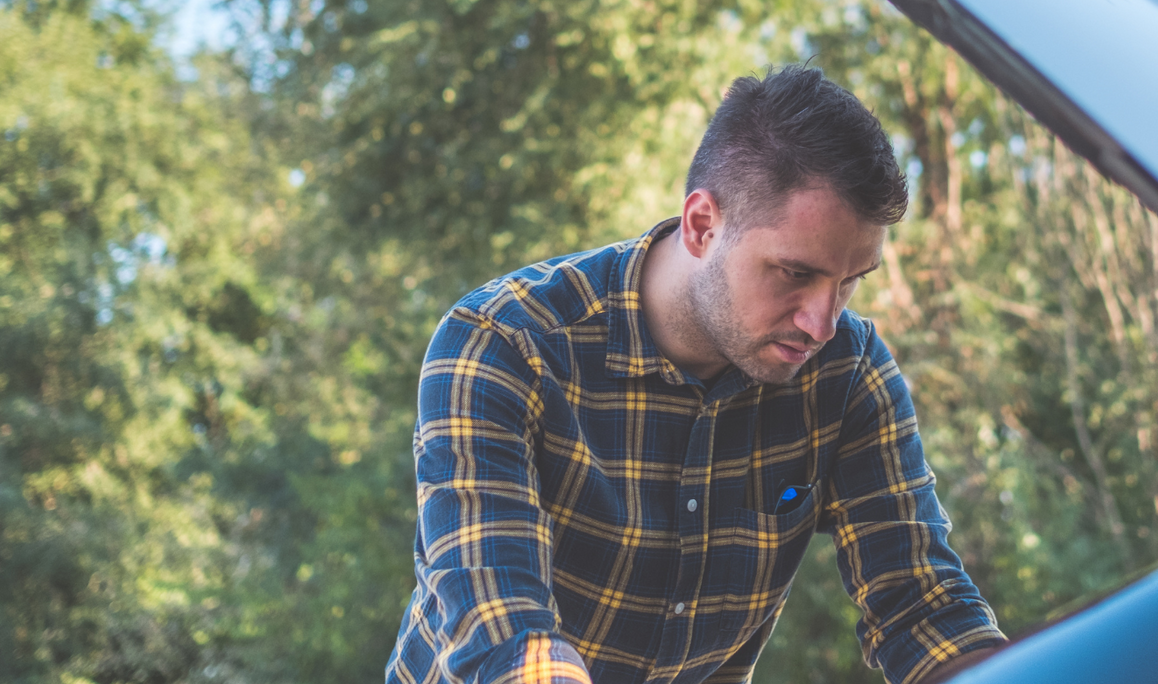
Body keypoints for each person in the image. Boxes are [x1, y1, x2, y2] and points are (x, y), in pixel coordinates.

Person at [385, 64, 1006, 684]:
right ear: (702, 225)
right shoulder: (504, 344)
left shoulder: (849, 372)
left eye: (849, 283)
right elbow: (505, 639)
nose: (821, 324)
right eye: (795, 273)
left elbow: (923, 609)